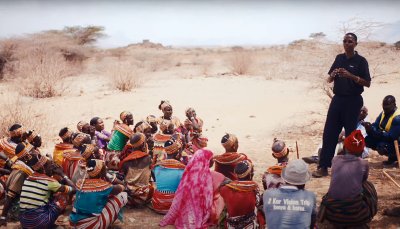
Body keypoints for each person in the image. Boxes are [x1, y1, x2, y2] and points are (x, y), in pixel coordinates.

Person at [313, 33, 371, 178]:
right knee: (329, 133)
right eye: (345, 41)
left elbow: (367, 83)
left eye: (350, 41)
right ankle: (324, 166)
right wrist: (333, 75)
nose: (347, 44)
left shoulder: (361, 61)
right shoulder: (339, 58)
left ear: (356, 43)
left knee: (351, 135)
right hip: (338, 100)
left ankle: (350, 169)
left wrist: (350, 76)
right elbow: (328, 80)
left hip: (353, 101)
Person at [318, 130, 377, 227]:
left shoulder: (335, 159)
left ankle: (326, 216)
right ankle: (369, 213)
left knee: (334, 188)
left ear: (344, 147)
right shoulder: (364, 164)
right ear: (362, 151)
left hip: (333, 215)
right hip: (358, 216)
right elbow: (363, 181)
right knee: (368, 186)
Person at [160, 149, 226, 228]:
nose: (213, 161)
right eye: (211, 159)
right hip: (202, 214)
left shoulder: (187, 174)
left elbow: (180, 197)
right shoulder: (215, 176)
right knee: (220, 197)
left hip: (185, 214)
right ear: (208, 161)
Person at [19, 154, 76, 229]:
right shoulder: (48, 181)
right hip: (39, 223)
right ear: (43, 168)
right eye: (50, 166)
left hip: (24, 222)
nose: (51, 169)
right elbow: (73, 189)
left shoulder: (28, 178)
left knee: (50, 196)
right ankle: (48, 222)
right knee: (62, 196)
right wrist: (63, 174)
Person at [70, 159, 127, 228]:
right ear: (101, 173)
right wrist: (107, 175)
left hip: (73, 222)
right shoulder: (103, 186)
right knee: (122, 196)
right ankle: (106, 223)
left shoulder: (80, 183)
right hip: (90, 226)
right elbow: (123, 186)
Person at [303, 106, 370, 164]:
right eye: (359, 111)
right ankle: (317, 157)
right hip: (347, 144)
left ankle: (327, 159)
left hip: (359, 149)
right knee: (330, 137)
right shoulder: (350, 120)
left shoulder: (364, 124)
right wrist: (339, 137)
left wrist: (343, 138)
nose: (361, 113)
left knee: (338, 143)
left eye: (363, 112)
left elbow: (360, 141)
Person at [263, 159, 317, 229]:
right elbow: (312, 220)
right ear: (304, 181)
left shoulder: (268, 194)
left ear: (284, 179)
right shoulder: (310, 196)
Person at [220, 160, 265, 228]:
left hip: (231, 225)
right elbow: (257, 203)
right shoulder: (253, 188)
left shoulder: (225, 189)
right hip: (249, 225)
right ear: (250, 174)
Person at [0, 142, 35, 226]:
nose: (32, 153)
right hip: (16, 208)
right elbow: (10, 195)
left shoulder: (20, 165)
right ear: (26, 155)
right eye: (30, 152)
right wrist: (3, 216)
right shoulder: (21, 171)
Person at [363, 95, 400, 166]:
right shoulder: (383, 113)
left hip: (396, 142)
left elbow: (391, 137)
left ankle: (394, 157)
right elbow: (375, 125)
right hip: (386, 138)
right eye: (384, 107)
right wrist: (369, 128)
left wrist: (374, 131)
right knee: (368, 140)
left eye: (387, 108)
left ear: (394, 105)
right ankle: (391, 157)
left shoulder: (397, 118)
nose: (385, 110)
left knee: (382, 146)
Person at [119, 133, 153, 207]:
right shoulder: (149, 159)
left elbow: (122, 177)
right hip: (144, 196)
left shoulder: (125, 161)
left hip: (129, 195)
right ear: (143, 144)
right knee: (152, 186)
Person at [151, 139, 185, 214]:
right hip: (173, 206)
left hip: (158, 204)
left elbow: (156, 180)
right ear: (176, 152)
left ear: (166, 152)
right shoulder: (182, 168)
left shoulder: (157, 166)